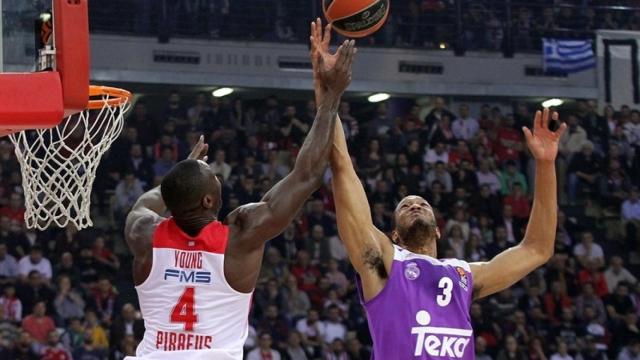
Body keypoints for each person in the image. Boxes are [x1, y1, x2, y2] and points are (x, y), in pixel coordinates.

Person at [317, 16, 567, 355]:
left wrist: (546, 165)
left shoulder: (463, 275)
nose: (415, 204)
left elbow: (537, 249)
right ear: (394, 234)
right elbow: (343, 167)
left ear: (438, 231)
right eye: (405, 205)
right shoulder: (384, 262)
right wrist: (327, 92)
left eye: (421, 203)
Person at [123, 21, 356, 359]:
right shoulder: (240, 235)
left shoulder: (143, 232)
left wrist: (182, 175)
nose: (218, 176)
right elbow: (307, 175)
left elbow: (147, 203)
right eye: (212, 176)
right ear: (207, 199)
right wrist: (331, 93)